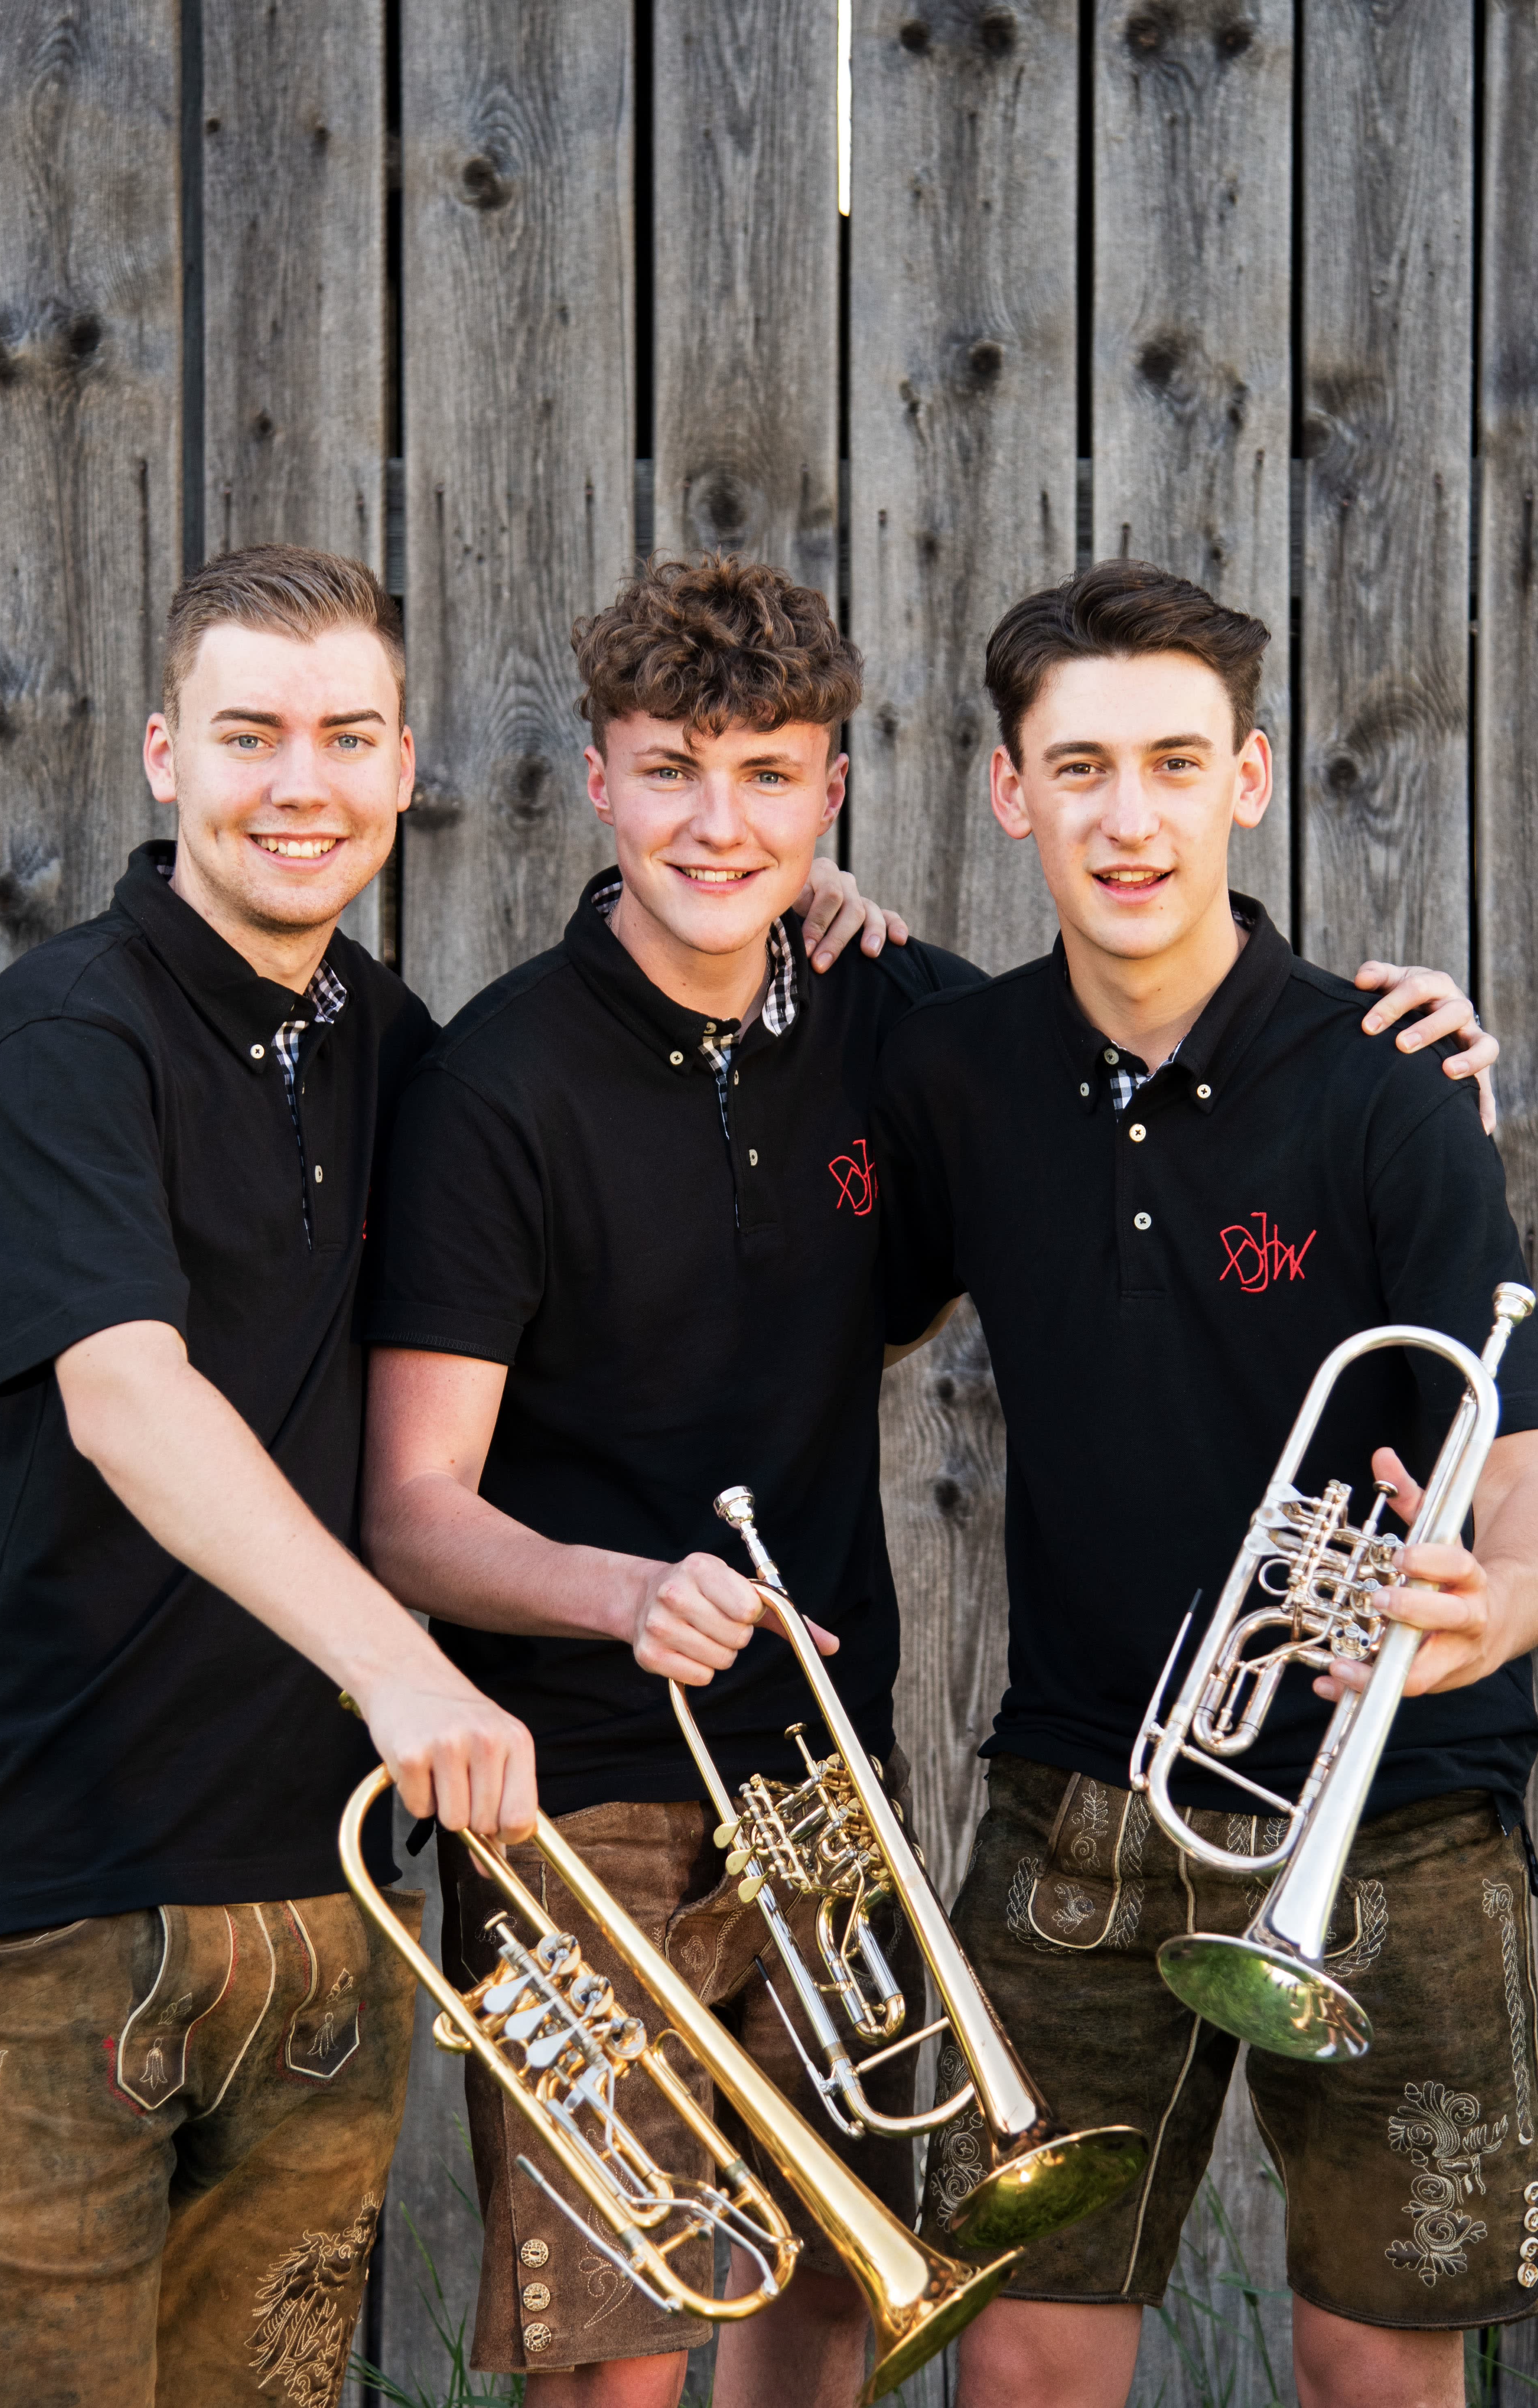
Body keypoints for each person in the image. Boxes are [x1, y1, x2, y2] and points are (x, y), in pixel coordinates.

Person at [358, 553, 1491, 2408]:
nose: (719, 825)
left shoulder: (919, 1030)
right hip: (646, 1783)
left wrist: (1428, 1064)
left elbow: (1151, 1101)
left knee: (855, 2308)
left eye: (769, 777)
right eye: (671, 772)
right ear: (598, 778)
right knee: (657, 2363)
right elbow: (414, 1499)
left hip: (867, 1767)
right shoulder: (527, 1083)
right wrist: (620, 1590)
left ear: (836, 790)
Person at [0, 541, 889, 2406]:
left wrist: (789, 903)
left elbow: (632, 1011)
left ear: (405, 763)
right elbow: (128, 1395)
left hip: (326, 1894)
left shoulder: (387, 1043)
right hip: (63, 1897)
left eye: (346, 736)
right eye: (250, 735)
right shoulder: (63, 1033)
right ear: (164, 754)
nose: (300, 783)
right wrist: (399, 1664)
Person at [869, 559, 1538, 2408]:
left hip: (1396, 1808)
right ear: (1009, 793)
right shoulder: (952, 1071)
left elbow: (1517, 1441)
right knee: (1023, 2360)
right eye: (1078, 768)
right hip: (1080, 1794)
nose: (1128, 817)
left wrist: (1498, 1609)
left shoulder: (1390, 1081)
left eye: (1174, 763)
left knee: (1373, 2370)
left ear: (1246, 779)